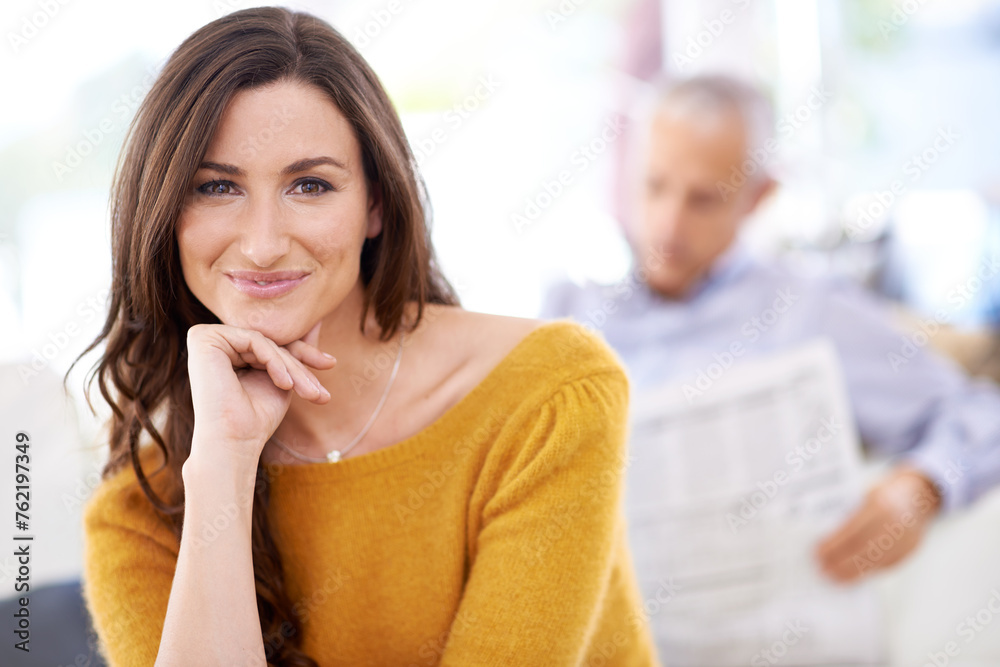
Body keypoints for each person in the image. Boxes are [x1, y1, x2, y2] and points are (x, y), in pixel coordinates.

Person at [75, 8, 658, 666]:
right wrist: (226, 466)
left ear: (375, 204)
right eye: (216, 186)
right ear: (162, 213)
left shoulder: (550, 396)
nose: (263, 244)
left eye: (311, 184)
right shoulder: (142, 508)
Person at [541, 75, 1000, 585]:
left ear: (759, 196)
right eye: (654, 185)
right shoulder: (566, 311)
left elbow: (980, 410)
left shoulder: (807, 311)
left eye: (703, 200)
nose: (668, 225)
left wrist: (921, 488)